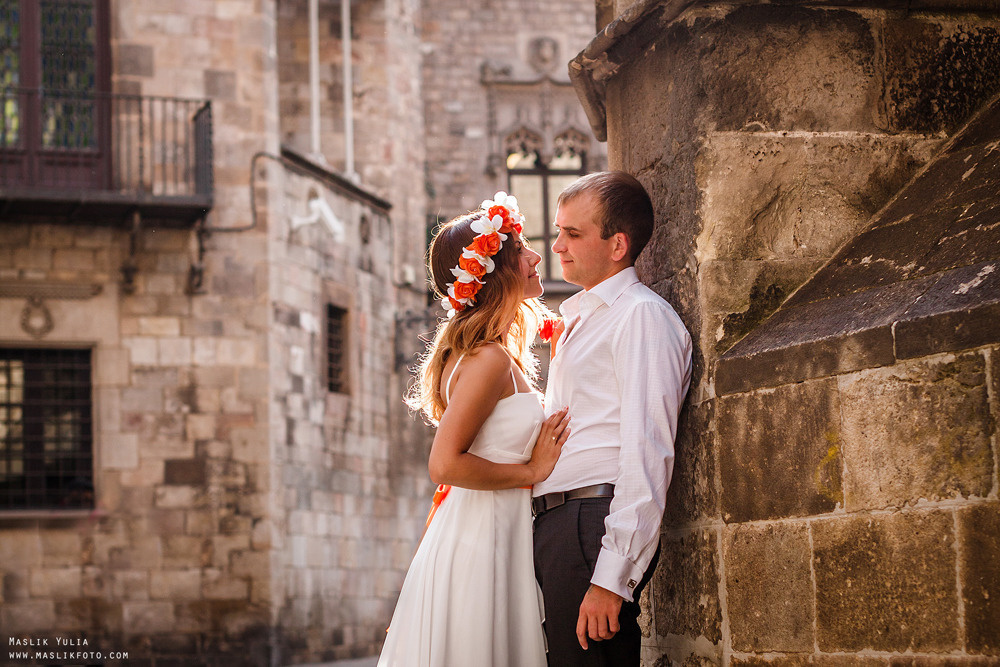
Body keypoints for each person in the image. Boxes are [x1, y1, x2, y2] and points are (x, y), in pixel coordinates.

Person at [379, 193, 572, 667]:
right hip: (480, 540)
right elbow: (444, 464)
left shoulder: (493, 354)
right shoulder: (487, 360)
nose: (534, 256)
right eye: (520, 250)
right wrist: (532, 470)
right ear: (494, 271)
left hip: (491, 530)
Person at [532, 171, 693, 667]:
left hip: (591, 525)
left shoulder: (640, 316)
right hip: (561, 525)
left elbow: (648, 448)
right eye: (558, 231)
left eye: (573, 234)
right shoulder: (584, 316)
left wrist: (611, 577)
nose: (557, 246)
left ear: (618, 243)